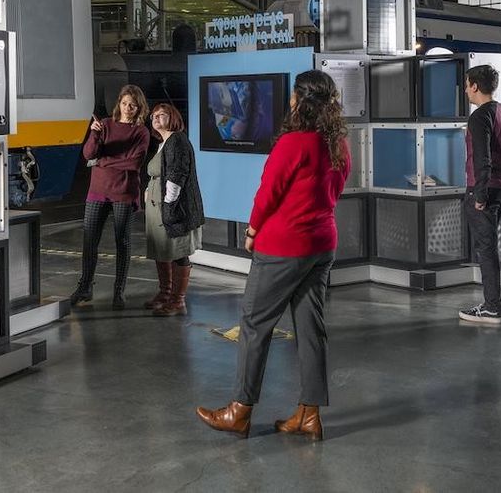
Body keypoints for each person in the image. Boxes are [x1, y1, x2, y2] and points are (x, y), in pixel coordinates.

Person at [196, 70, 350, 441]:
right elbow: (337, 188)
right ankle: (309, 414)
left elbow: (268, 193)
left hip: (283, 246)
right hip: (322, 244)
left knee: (254, 324)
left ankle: (239, 411)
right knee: (311, 329)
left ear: (300, 101)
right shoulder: (338, 143)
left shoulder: (293, 143)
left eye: (294, 95)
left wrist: (252, 230)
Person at [70, 85, 151, 309]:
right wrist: (95, 134)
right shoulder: (104, 125)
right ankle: (85, 287)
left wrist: (102, 162)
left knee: (122, 242)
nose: (127, 108)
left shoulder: (141, 132)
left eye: (132, 105)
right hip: (97, 191)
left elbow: (134, 163)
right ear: (119, 104)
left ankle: (119, 291)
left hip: (124, 192)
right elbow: (89, 154)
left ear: (139, 108)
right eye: (124, 104)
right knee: (89, 240)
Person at [459, 65, 501, 325]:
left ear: (475, 86)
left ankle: (492, 307)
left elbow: (482, 158)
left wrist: (479, 194)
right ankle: (491, 304)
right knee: (488, 246)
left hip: (484, 189)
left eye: (466, 85)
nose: (465, 90)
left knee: (486, 248)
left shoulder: (479, 117)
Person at [144, 103, 205, 316]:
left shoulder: (177, 140)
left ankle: (178, 301)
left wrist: (169, 205)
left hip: (173, 208)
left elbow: (177, 175)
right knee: (163, 250)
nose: (156, 117)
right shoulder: (163, 143)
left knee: (178, 252)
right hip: (157, 208)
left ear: (174, 118)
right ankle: (165, 294)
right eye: (154, 115)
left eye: (162, 114)